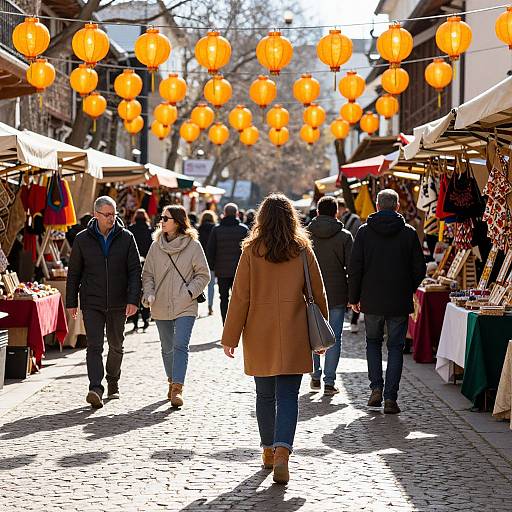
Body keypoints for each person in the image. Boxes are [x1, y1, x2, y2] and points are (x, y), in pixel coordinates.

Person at [222, 194, 328, 485]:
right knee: (288, 396)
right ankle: (283, 452)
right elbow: (318, 294)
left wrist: (230, 336)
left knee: (265, 396)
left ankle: (268, 450)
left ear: (261, 219)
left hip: (260, 333)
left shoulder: (251, 251)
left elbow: (240, 297)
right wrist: (322, 334)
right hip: (295, 333)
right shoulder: (303, 249)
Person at [348, 189, 425, 414]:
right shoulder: (409, 233)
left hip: (371, 299)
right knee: (395, 348)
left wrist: (354, 297)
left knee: (372, 343)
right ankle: (391, 397)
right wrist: (406, 288)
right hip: (398, 300)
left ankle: (376, 389)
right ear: (397, 207)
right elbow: (419, 268)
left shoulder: (364, 232)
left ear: (377, 206)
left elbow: (355, 268)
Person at [66, 196, 141, 409]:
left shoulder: (126, 237)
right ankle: (95, 388)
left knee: (116, 346)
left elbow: (135, 270)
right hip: (92, 302)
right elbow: (74, 273)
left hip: (118, 302)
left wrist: (133, 299)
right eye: (107, 215)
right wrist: (71, 301)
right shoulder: (82, 239)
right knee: (94, 346)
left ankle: (113, 382)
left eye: (114, 214)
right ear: (96, 215)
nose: (111, 219)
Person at [142, 205, 209, 407]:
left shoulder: (193, 245)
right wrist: (149, 292)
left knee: (180, 345)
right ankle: (171, 382)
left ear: (178, 222)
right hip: (160, 303)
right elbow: (148, 274)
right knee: (167, 348)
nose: (161, 221)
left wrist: (189, 292)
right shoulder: (155, 246)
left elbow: (203, 274)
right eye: (161, 218)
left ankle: (178, 388)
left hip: (185, 304)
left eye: (166, 218)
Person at [307, 196, 353, 396]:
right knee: (334, 337)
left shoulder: (305, 236)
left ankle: (315, 375)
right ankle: (329, 381)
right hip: (336, 292)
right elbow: (351, 268)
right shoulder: (344, 236)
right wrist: (353, 296)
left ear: (317, 212)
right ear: (337, 212)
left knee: (312, 333)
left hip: (310, 293)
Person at [206, 203, 249, 324]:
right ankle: (238, 323)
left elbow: (210, 250)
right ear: (236, 214)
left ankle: (226, 324)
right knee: (239, 298)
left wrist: (212, 267)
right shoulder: (243, 229)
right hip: (239, 271)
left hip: (222, 271)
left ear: (224, 213)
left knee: (223, 298)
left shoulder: (217, 230)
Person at [338, 199, 363, 333]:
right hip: (352, 258)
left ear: (342, 208)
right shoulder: (354, 219)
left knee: (354, 289)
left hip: (350, 258)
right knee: (354, 288)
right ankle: (353, 319)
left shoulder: (350, 220)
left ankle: (354, 318)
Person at [128, 208, 154, 331]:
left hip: (133, 265)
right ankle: (145, 318)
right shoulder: (150, 231)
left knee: (134, 291)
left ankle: (134, 322)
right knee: (146, 291)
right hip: (147, 265)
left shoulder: (130, 230)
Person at [198, 210, 218, 316]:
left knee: (198, 284)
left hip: (198, 260)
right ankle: (210, 306)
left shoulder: (198, 229)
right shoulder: (215, 229)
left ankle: (196, 307)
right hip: (211, 261)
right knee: (211, 285)